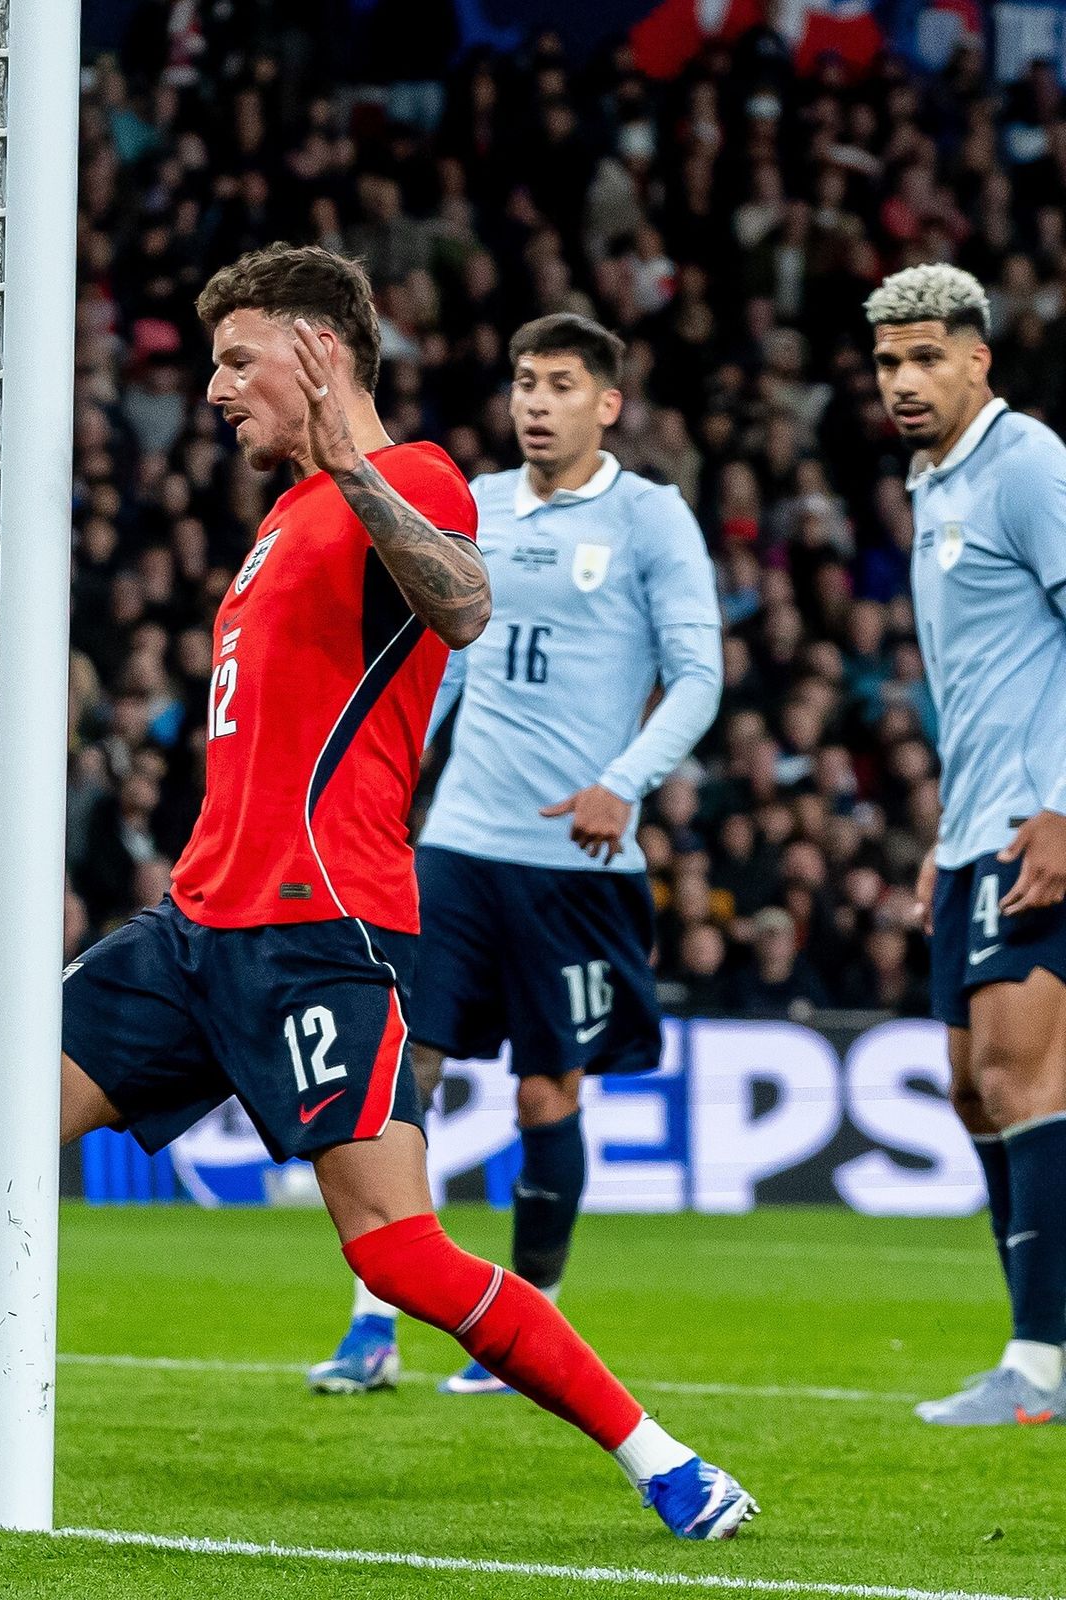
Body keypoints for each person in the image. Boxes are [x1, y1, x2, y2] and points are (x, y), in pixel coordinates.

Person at [0, 245, 755, 1538]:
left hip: (320, 930)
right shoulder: (275, 523)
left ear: (322, 354)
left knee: (394, 1253)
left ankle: (662, 1458)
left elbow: (465, 609)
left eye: (240, 360)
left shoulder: (408, 480)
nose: (217, 389)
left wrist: (355, 466)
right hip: (196, 923)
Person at [309, 314, 722, 1398]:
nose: (536, 402)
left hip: (578, 861)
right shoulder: (478, 505)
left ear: (609, 404)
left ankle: (525, 1322)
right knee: (405, 1073)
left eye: (561, 385)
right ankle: (372, 1322)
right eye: (524, 381)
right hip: (458, 845)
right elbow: (434, 667)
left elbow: (699, 677)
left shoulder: (650, 519)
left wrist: (622, 784)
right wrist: (388, 782)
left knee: (548, 1091)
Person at [868, 264, 1066, 1425]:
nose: (906, 379)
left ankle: (1037, 1368)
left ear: (979, 358)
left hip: (1037, 821)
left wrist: (1060, 804)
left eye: (928, 356)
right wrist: (947, 838)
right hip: (972, 832)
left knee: (1019, 1074)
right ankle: (1035, 1351)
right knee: (969, 1090)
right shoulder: (930, 479)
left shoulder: (1026, 462)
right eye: (891, 360)